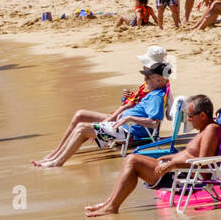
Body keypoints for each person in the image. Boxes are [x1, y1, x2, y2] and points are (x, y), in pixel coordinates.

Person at [84, 93, 221, 216]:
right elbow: (191, 155)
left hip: (182, 175)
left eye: (190, 116)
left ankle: (112, 206)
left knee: (133, 161)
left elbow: (204, 166)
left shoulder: (211, 130)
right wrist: (170, 158)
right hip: (177, 170)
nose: (188, 119)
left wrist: (173, 164)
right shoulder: (204, 130)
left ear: (203, 115)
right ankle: (109, 203)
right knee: (130, 159)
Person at [32, 62, 170, 167]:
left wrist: (129, 117)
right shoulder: (153, 93)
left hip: (130, 133)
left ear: (159, 79)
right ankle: (55, 159)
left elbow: (154, 123)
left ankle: (57, 162)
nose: (144, 80)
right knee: (82, 126)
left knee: (83, 129)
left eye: (147, 77)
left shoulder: (156, 96)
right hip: (124, 129)